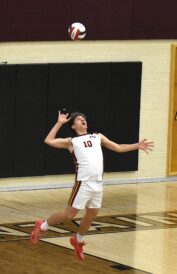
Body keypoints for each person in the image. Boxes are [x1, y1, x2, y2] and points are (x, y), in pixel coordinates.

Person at [30, 111, 154, 260]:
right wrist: (59, 123)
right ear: (73, 125)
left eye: (84, 119)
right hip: (83, 183)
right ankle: (42, 225)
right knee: (70, 215)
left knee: (92, 213)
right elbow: (49, 140)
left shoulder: (97, 136)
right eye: (79, 119)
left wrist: (137, 145)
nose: (83, 120)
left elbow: (118, 148)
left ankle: (78, 240)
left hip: (98, 183)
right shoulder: (72, 142)